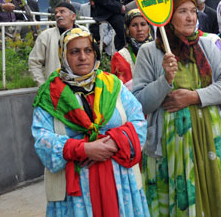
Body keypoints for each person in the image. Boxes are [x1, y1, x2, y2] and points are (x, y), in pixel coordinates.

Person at [132, 0, 221, 216]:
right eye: (182, 11)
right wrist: (166, 80)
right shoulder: (150, 52)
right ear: (168, 17)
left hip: (210, 138)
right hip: (170, 143)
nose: (191, 17)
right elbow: (140, 103)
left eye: (193, 11)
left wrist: (195, 96)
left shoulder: (207, 44)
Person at [32, 28, 149, 216]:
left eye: (88, 50)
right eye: (74, 52)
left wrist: (114, 141)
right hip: (75, 197)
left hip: (121, 186)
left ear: (95, 52)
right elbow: (42, 140)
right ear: (63, 55)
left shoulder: (113, 85)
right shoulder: (50, 95)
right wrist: (83, 149)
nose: (83, 57)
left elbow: (139, 121)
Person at [28, 2, 87, 86]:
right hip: (56, 88)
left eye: (62, 11)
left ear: (73, 16)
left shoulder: (84, 32)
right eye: (56, 13)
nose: (58, 15)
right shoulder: (46, 36)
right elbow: (34, 62)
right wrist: (42, 85)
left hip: (82, 85)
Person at [111, 9, 154, 88]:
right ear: (127, 29)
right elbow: (124, 89)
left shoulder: (158, 51)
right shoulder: (121, 56)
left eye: (143, 24)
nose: (139, 29)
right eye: (134, 25)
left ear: (149, 27)